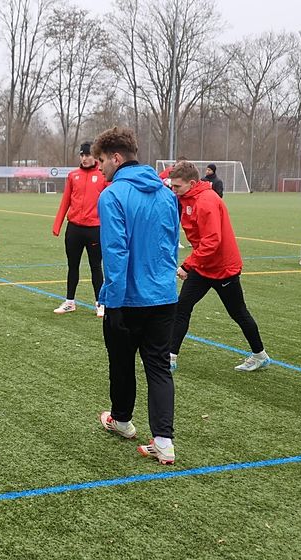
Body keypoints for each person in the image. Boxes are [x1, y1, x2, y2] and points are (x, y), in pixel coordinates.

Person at [91, 126, 180, 465]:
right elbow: (171, 244)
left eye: (101, 161)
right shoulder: (166, 194)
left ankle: (123, 421)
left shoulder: (112, 195)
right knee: (158, 367)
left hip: (128, 298)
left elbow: (115, 252)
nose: (99, 168)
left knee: (122, 361)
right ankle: (164, 442)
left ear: (116, 158)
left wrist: (110, 299)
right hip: (164, 296)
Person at [168, 161, 270, 373]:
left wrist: (187, 266)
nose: (173, 190)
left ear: (192, 183)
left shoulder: (206, 201)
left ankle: (260, 355)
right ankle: (170, 357)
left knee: (238, 313)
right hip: (203, 265)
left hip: (223, 267)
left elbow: (212, 241)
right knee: (182, 307)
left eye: (177, 186)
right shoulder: (186, 197)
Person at [51, 142, 106, 317]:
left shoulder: (102, 175)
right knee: (72, 266)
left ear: (95, 156)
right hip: (74, 229)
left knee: (96, 267)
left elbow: (109, 203)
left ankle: (100, 303)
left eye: (88, 155)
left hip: (94, 229)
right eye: (82, 155)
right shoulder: (72, 175)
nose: (85, 158)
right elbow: (65, 201)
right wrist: (57, 225)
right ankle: (69, 302)